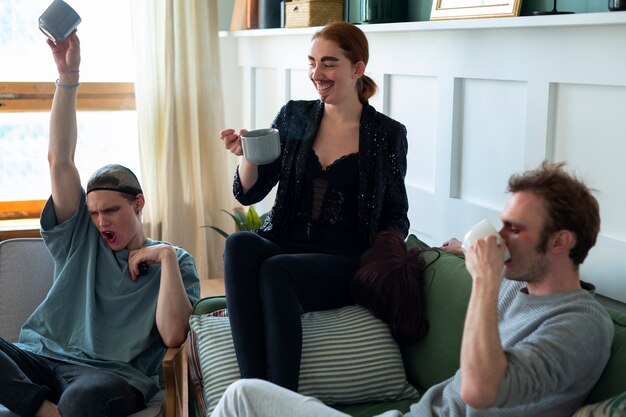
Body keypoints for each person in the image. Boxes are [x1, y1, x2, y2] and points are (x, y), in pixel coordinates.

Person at [208, 161, 614, 417]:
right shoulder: (519, 284)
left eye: (515, 229)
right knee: (246, 396)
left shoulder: (581, 325)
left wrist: (486, 282)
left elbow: (478, 390)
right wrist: (459, 252)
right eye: (502, 223)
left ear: (560, 242)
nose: (501, 238)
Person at [0, 32, 200, 417]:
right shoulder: (80, 237)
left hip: (111, 376)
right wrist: (68, 76)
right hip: (41, 358)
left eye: (111, 210)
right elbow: (60, 160)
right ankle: (46, 412)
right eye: (93, 212)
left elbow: (175, 335)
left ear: (138, 204)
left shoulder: (175, 262)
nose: (100, 220)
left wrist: (168, 258)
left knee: (82, 400)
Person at [218, 22, 409, 392]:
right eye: (312, 62)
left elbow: (395, 213)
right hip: (284, 239)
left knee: (277, 272)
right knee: (239, 244)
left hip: (342, 258)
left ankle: (282, 399)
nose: (316, 74)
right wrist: (247, 156)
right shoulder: (295, 116)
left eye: (329, 63)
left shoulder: (387, 134)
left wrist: (385, 262)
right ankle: (253, 393)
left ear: (358, 68)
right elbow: (249, 194)